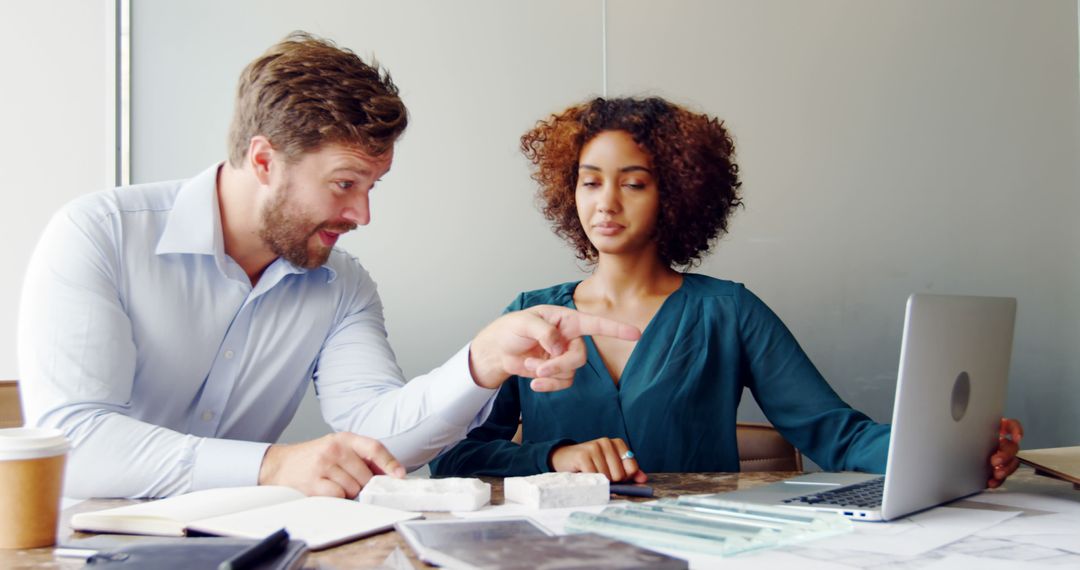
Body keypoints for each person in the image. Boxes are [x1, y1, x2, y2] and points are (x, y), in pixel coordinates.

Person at [16, 33, 640, 500]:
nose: (362, 214)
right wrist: (270, 466)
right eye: (344, 183)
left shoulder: (342, 285)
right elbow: (77, 441)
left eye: (372, 186)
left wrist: (482, 362)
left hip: (249, 546)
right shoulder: (97, 235)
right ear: (264, 161)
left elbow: (380, 436)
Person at [430, 97, 1023, 488]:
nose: (605, 203)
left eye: (633, 184)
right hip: (560, 553)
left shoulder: (729, 311)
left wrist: (953, 449)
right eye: (590, 182)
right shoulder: (531, 316)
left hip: (702, 552)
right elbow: (457, 456)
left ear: (678, 195)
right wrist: (554, 457)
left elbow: (833, 432)